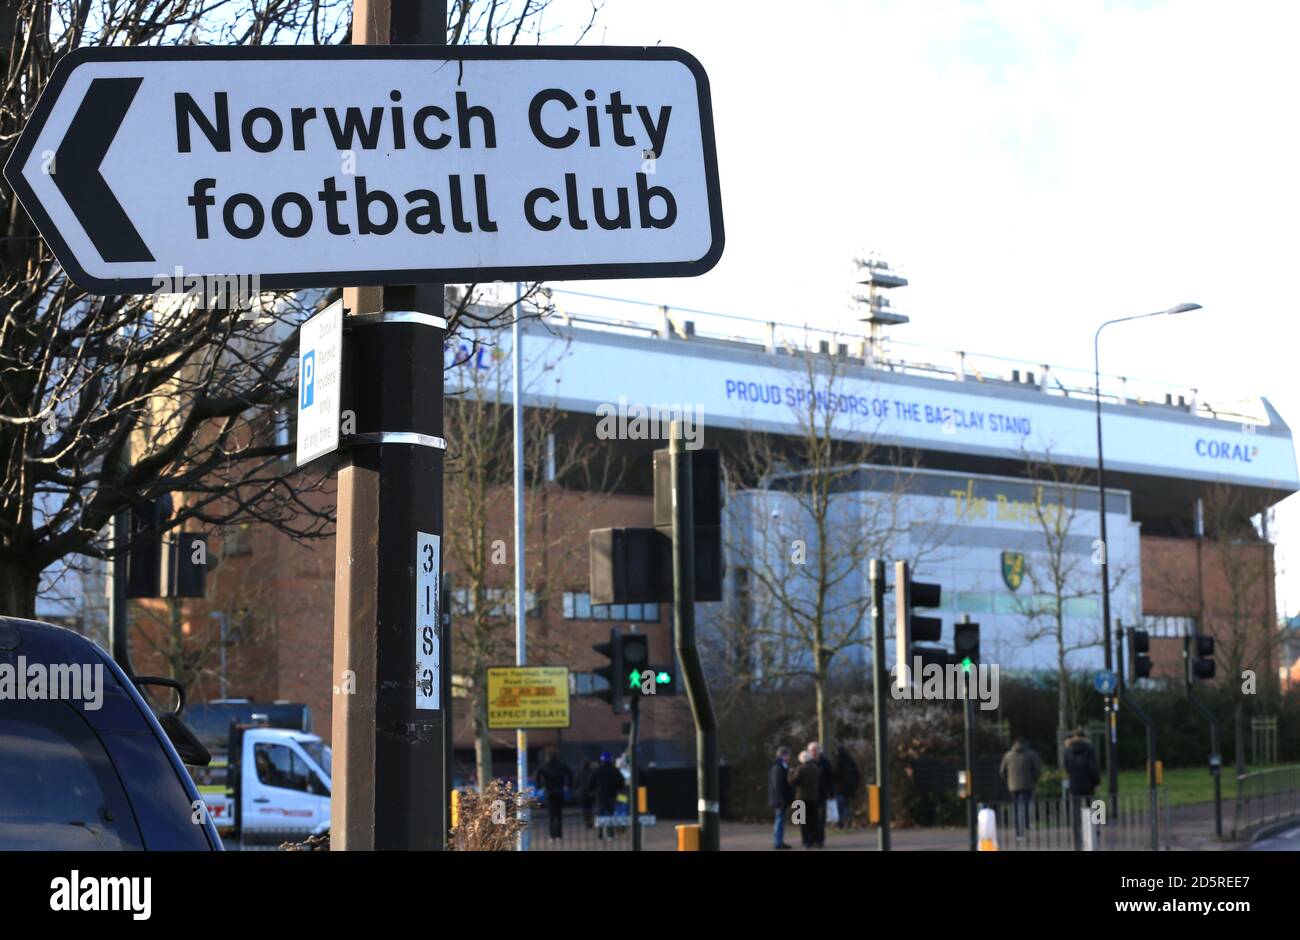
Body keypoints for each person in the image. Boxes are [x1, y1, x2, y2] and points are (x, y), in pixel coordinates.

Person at [1063, 728, 1100, 849]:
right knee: (1092, 807)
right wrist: (1096, 782)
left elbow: (1067, 767)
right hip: (1088, 783)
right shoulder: (1089, 749)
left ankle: (1077, 836)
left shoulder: (1068, 750)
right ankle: (1094, 832)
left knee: (1075, 810)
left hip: (1075, 783)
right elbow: (1093, 767)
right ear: (1085, 737)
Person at [998, 737, 1043, 839]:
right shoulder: (1031, 754)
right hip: (1028, 784)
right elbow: (1037, 770)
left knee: (1017, 807)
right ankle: (1024, 828)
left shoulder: (1008, 755)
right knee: (1025, 806)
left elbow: (1002, 771)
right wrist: (1034, 779)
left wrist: (1008, 780)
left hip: (1013, 786)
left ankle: (1020, 829)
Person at [533, 750, 574, 841]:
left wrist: (540, 786)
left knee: (551, 816)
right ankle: (559, 835)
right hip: (559, 791)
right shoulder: (561, 765)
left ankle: (552, 836)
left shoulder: (544, 766)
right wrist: (567, 785)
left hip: (549, 792)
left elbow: (536, 776)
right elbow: (570, 774)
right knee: (559, 815)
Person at [787, 750, 823, 849]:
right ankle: (818, 840)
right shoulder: (816, 769)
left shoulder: (800, 769)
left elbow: (793, 781)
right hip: (814, 798)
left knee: (803, 821)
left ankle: (807, 841)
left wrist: (790, 773)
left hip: (801, 798)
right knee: (814, 820)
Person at [587, 751, 625, 841]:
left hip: (600, 795)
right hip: (611, 795)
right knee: (610, 814)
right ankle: (610, 834)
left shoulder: (598, 770)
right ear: (611, 759)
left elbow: (591, 782)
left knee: (600, 814)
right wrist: (617, 788)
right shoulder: (614, 770)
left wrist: (590, 790)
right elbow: (621, 781)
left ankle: (600, 833)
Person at [767, 746, 795, 849]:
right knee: (779, 819)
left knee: (780, 820)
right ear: (784, 755)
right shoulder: (778, 766)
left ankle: (779, 841)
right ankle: (778, 842)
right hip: (780, 798)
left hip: (780, 797)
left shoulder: (780, 765)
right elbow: (778, 783)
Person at [808, 741, 834, 846]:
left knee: (821, 819)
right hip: (809, 795)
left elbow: (830, 778)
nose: (814, 752)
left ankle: (820, 840)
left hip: (821, 794)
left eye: (816, 750)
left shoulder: (825, 763)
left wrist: (831, 792)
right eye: (812, 750)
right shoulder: (807, 763)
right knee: (810, 818)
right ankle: (810, 839)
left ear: (819, 751)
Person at [832, 745, 860, 829]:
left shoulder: (838, 762)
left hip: (840, 788)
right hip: (851, 789)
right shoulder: (851, 761)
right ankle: (847, 820)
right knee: (846, 805)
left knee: (839, 806)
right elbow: (857, 774)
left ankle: (841, 822)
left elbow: (835, 775)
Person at [574, 759, 596, 829]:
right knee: (590, 808)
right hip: (591, 793)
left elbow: (575, 783)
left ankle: (587, 822)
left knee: (585, 809)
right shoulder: (592, 772)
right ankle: (590, 821)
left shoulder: (579, 772)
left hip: (582, 793)